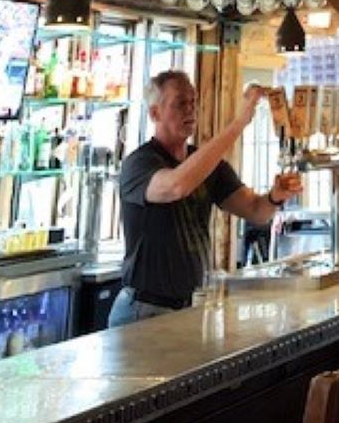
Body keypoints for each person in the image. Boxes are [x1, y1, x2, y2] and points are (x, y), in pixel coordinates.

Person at [109, 71, 302, 326]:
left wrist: (276, 196)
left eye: (193, 102)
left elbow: (257, 211)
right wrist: (239, 123)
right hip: (144, 310)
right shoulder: (139, 163)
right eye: (180, 103)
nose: (190, 110)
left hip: (190, 308)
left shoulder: (208, 165)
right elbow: (176, 186)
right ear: (155, 113)